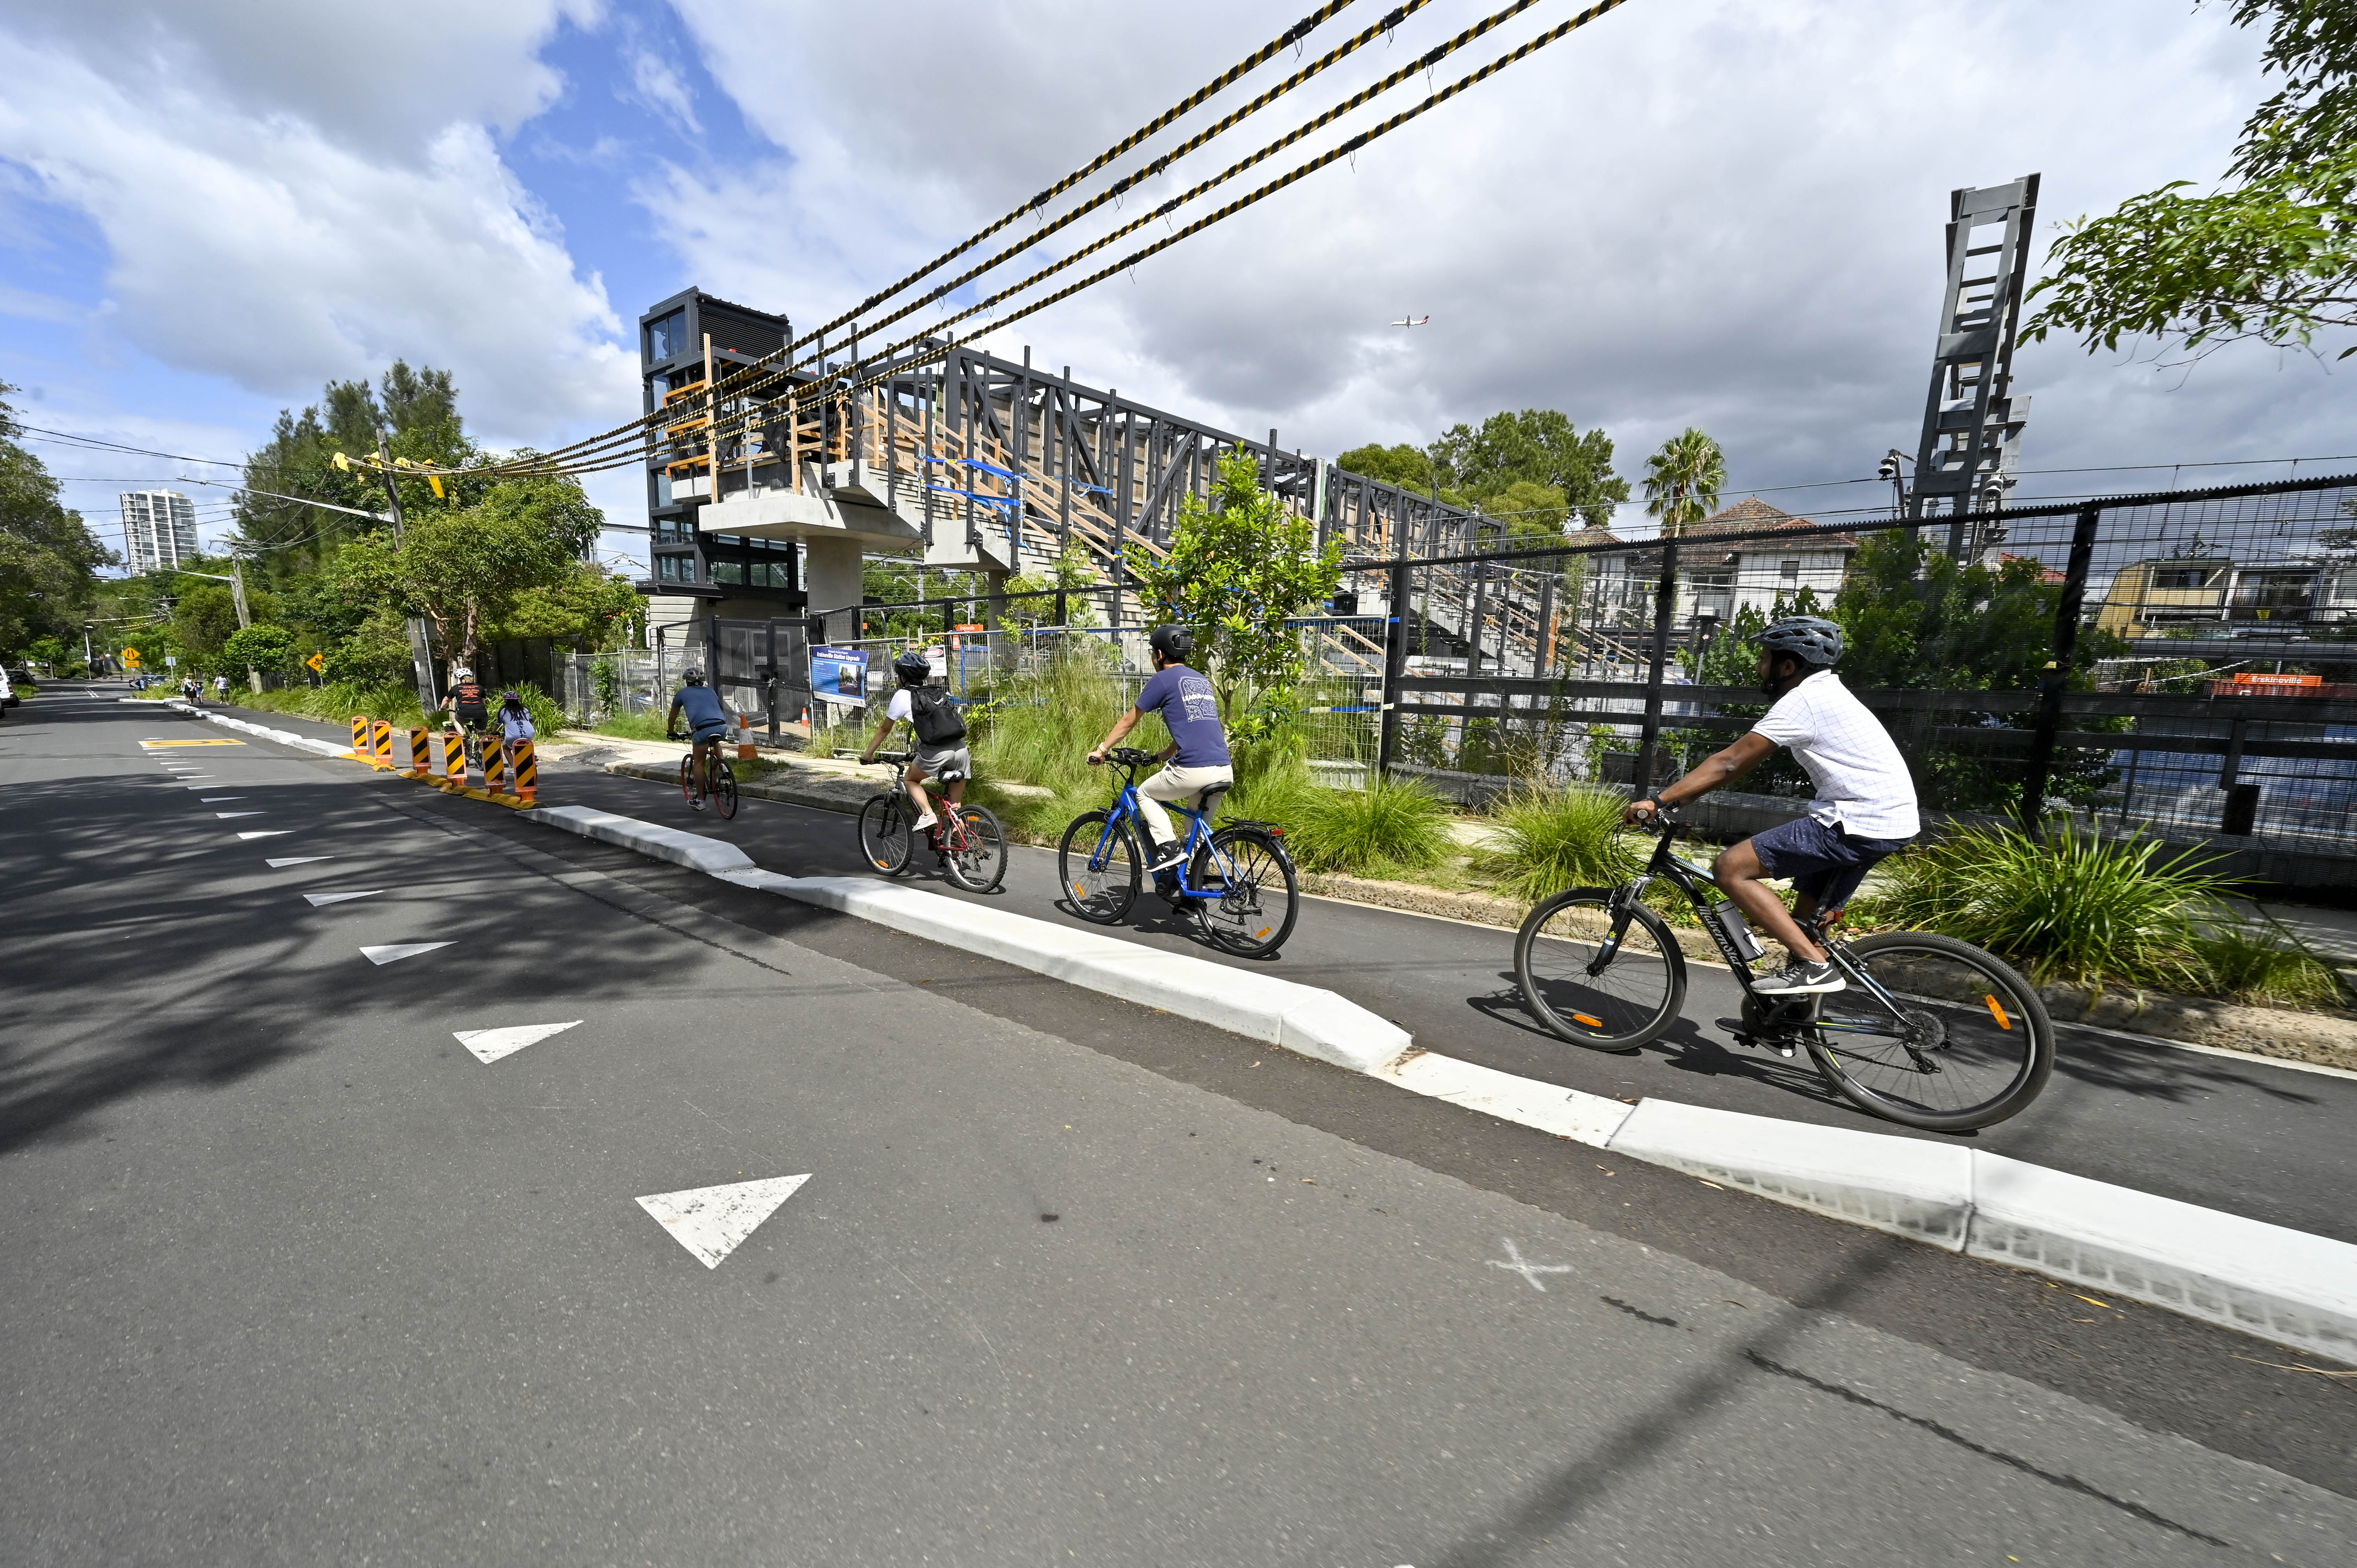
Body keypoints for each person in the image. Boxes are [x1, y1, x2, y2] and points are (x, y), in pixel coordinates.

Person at [1624, 615, 1918, 995]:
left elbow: (1730, 761)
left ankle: (1814, 966)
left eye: (1765, 658)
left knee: (1731, 868)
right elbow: (1738, 767)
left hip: (1855, 821)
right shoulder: (1828, 692)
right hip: (1887, 822)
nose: (1760, 667)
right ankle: (1796, 1015)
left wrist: (1660, 800)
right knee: (1807, 919)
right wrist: (1684, 798)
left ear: (1788, 665)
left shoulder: (1805, 699)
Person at [1088, 625, 1231, 873]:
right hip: (1224, 769)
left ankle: (1168, 848)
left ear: (1161, 655)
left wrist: (1101, 750)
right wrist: (1164, 756)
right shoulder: (1200, 679)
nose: (1153, 658)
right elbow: (1193, 725)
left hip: (1195, 769)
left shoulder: (1163, 680)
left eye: (1153, 653)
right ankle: (1194, 887)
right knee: (1194, 836)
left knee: (1145, 793)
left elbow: (1129, 720)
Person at [859, 649, 969, 841]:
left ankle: (927, 815)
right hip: (961, 750)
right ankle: (958, 851)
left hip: (937, 752)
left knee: (910, 780)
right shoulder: (937, 691)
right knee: (955, 809)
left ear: (903, 677)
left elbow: (885, 729)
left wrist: (867, 755)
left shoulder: (903, 696)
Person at [665, 666, 732, 807]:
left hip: (702, 730)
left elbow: (673, 716)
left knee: (699, 764)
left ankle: (700, 800)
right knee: (715, 740)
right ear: (702, 682)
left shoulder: (682, 694)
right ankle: (723, 767)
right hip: (721, 726)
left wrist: (671, 732)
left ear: (687, 682)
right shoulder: (711, 691)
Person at [495, 689, 536, 778]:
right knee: (529, 745)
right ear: (519, 700)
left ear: (505, 700)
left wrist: (494, 732)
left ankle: (513, 767)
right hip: (529, 733)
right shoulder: (525, 709)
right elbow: (531, 721)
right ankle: (531, 758)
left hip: (513, 736)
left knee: (506, 748)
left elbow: (498, 723)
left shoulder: (504, 711)